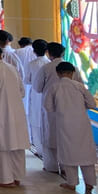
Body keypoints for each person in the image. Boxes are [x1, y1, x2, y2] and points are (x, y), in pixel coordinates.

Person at [44, 62, 97, 192]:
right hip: (82, 123)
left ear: (58, 73)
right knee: (86, 152)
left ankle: (72, 182)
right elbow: (92, 104)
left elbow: (48, 107)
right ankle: (90, 182)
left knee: (68, 152)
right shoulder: (80, 86)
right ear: (73, 73)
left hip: (64, 124)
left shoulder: (54, 87)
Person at [0, 45, 29, 188]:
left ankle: (6, 179)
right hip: (18, 111)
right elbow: (22, 92)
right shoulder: (12, 69)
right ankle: (17, 177)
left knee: (3, 145)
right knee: (17, 146)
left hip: (1, 111)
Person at [33, 42, 78, 173]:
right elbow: (79, 85)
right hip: (69, 106)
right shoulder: (73, 67)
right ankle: (66, 166)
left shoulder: (46, 68)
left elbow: (37, 87)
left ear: (49, 53)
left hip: (50, 106)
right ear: (63, 53)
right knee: (66, 135)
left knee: (50, 134)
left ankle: (51, 166)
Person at [26, 39, 49, 154]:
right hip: (48, 94)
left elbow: (27, 80)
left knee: (35, 121)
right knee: (47, 122)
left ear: (34, 51)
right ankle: (47, 150)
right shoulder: (49, 63)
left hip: (35, 94)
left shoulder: (32, 64)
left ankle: (39, 150)